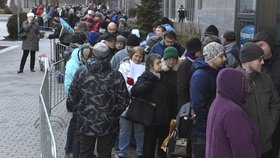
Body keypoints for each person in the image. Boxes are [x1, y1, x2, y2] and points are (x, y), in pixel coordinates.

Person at [66, 42, 129, 158]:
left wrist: (76, 111)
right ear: (108, 56)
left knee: (84, 152)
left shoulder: (81, 72)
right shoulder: (115, 75)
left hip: (85, 121)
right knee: (105, 153)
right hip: (108, 122)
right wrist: (113, 113)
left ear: (92, 54)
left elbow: (72, 96)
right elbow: (124, 100)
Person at [206, 68, 261, 158]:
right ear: (234, 84)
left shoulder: (217, 103)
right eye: (243, 84)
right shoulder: (232, 111)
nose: (245, 89)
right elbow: (243, 150)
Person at [239, 43, 280, 158]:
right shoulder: (234, 81)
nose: (263, 62)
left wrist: (270, 124)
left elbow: (275, 103)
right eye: (259, 59)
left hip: (266, 146)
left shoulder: (266, 79)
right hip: (245, 147)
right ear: (248, 61)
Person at [190, 42, 226, 158]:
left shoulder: (219, 72)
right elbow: (198, 105)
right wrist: (209, 124)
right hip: (203, 132)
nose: (224, 59)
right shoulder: (200, 76)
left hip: (215, 128)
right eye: (221, 56)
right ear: (211, 57)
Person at [131, 54, 169, 158]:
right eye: (158, 63)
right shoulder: (147, 75)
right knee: (149, 145)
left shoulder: (163, 75)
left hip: (163, 117)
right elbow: (135, 91)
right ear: (151, 65)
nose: (160, 65)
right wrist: (150, 81)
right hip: (151, 117)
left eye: (161, 62)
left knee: (163, 145)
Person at [251, 31, 280, 157]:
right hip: (260, 117)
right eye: (256, 45)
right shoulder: (253, 64)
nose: (259, 48)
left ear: (271, 46)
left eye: (261, 45)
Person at [64, 44, 93, 158]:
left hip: (81, 99)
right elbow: (70, 86)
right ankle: (69, 148)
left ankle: (77, 149)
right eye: (87, 59)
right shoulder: (74, 66)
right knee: (75, 125)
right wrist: (74, 102)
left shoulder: (81, 62)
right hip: (77, 100)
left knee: (77, 126)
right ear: (82, 57)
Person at [118, 46, 146, 158]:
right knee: (125, 130)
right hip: (126, 102)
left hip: (139, 103)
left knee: (139, 129)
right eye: (136, 56)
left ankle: (140, 151)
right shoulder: (124, 66)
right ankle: (122, 152)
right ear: (131, 55)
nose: (138, 59)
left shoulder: (145, 68)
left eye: (140, 56)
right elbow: (121, 83)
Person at [177, 38, 202, 108]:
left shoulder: (198, 61)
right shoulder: (185, 65)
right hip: (188, 103)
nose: (201, 52)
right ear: (194, 51)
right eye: (199, 50)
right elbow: (182, 87)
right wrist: (185, 106)